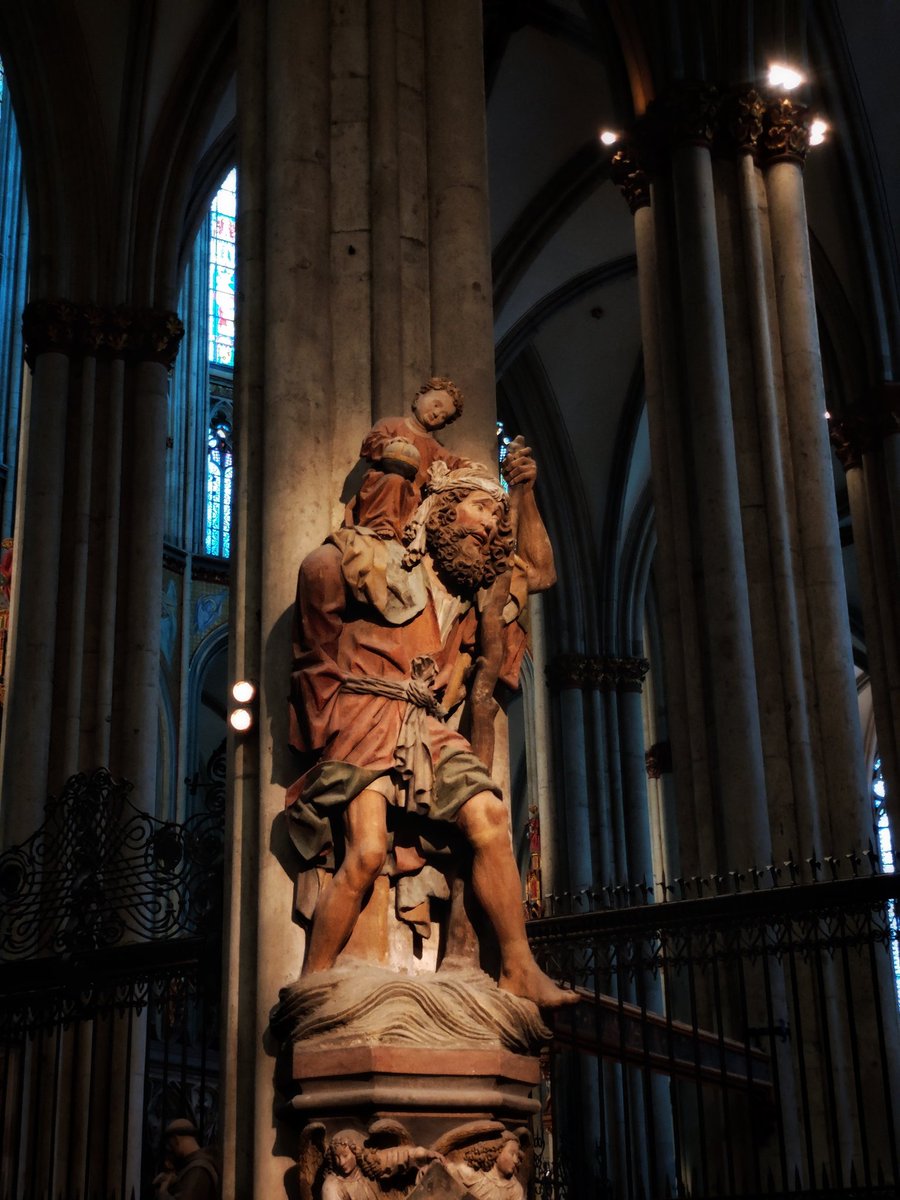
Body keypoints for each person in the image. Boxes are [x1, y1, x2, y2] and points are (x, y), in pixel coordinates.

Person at [287, 437, 577, 1009]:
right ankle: (311, 983)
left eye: (496, 517)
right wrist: (321, 694)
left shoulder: (473, 588)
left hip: (422, 722)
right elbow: (319, 578)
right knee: (367, 852)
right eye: (480, 509)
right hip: (367, 713)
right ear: (441, 510)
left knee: (491, 815)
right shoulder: (378, 559)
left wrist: (521, 495)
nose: (491, 526)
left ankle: (519, 968)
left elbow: (538, 571)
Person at [347, 377, 469, 540]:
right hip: (381, 486)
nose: (436, 414)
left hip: (411, 499)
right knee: (394, 481)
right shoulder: (391, 424)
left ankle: (401, 531)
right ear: (418, 398)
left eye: (443, 416)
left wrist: (467, 465)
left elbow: (451, 462)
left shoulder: (433, 446)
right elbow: (371, 442)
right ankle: (381, 524)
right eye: (436, 404)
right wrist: (389, 444)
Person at [321, 1129, 440, 1200]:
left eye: (345, 1156)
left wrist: (423, 1154)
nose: (341, 1162)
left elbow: (395, 1156)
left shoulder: (365, 1167)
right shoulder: (332, 1186)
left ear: (356, 1152)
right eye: (336, 1158)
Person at [447, 1132, 525, 1200]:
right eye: (512, 1154)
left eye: (517, 1156)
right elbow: (450, 1170)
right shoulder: (475, 1176)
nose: (515, 1161)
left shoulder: (514, 1189)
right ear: (497, 1151)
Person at [154, 1119, 219, 1200]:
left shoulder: (198, 1170)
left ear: (175, 1140)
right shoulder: (195, 1167)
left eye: (171, 1146)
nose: (171, 1151)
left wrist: (162, 1193)